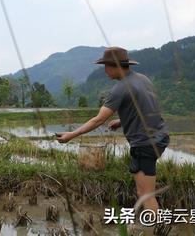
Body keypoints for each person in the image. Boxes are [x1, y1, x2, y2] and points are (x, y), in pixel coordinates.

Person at [56, 47, 169, 213]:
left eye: (106, 67)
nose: (105, 71)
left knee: (146, 195)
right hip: (160, 137)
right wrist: (122, 121)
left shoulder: (120, 88)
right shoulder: (142, 79)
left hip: (145, 143)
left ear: (115, 66)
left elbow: (99, 119)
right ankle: (153, 224)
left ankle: (157, 227)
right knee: (143, 192)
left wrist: (71, 135)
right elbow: (146, 109)